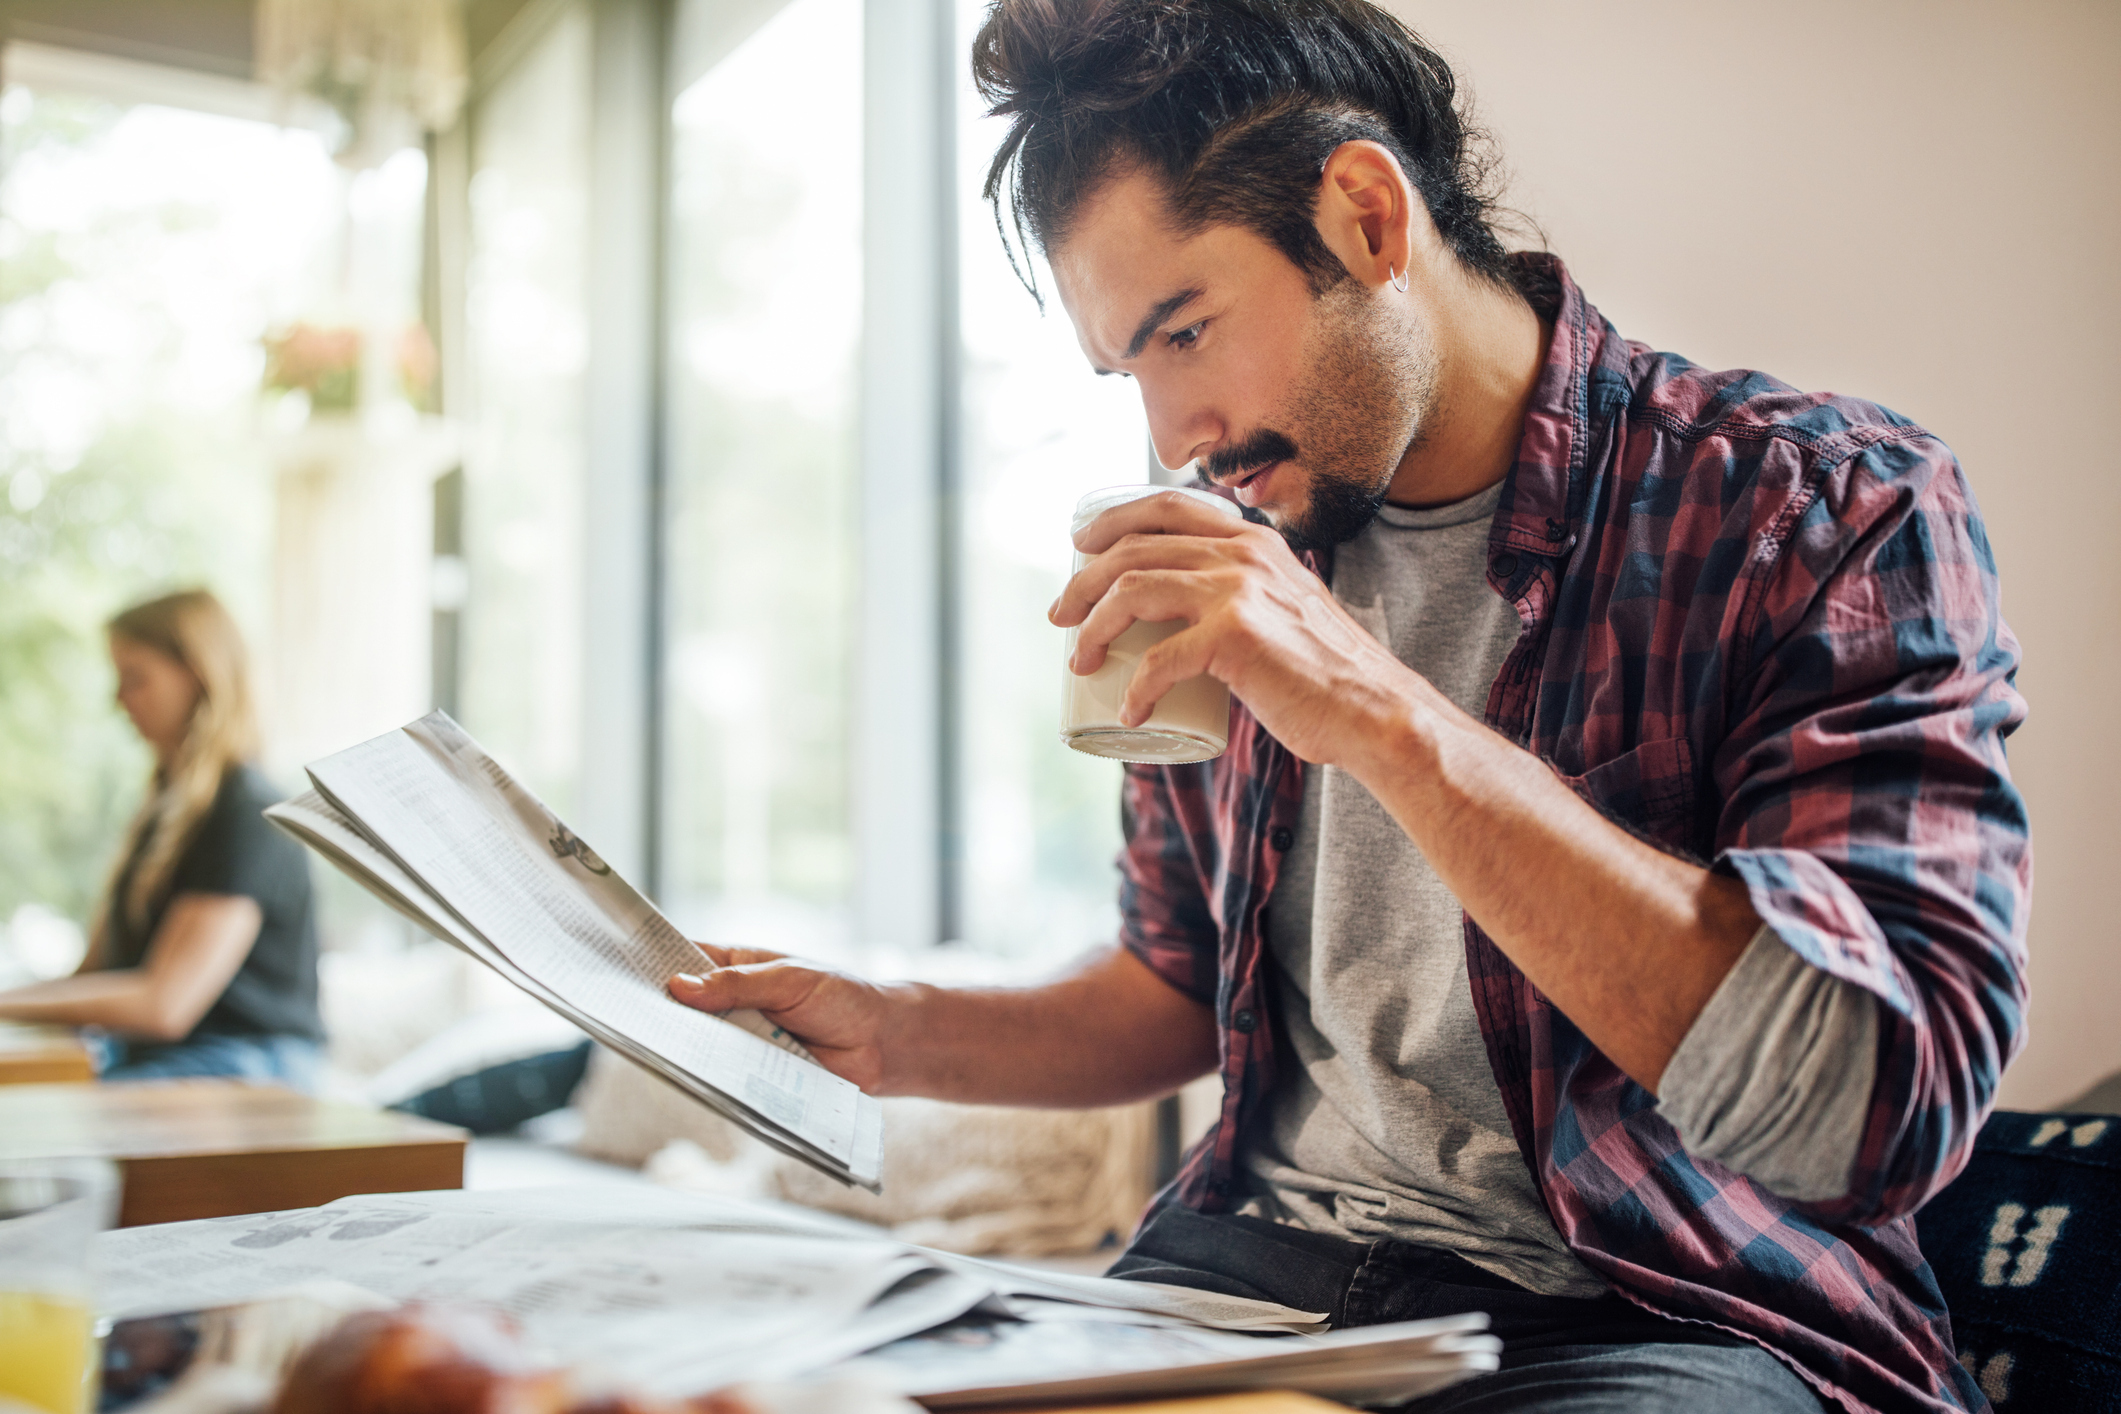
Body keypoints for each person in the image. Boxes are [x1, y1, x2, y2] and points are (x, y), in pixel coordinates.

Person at [667, 3, 2030, 1410]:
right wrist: (890, 1032)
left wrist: (1378, 709)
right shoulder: (1239, 545)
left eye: (1185, 330)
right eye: (1129, 370)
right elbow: (1175, 986)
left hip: (1655, 1316)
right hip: (1248, 1277)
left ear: (1367, 216)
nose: (1172, 435)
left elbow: (1874, 1106)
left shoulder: (1817, 507)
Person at [0, 590, 325, 1088]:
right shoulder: (164, 817)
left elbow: (165, 1005)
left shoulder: (245, 812)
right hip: (169, 1063)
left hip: (247, 1066)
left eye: (135, 679)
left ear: (197, 675)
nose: (118, 700)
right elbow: (91, 981)